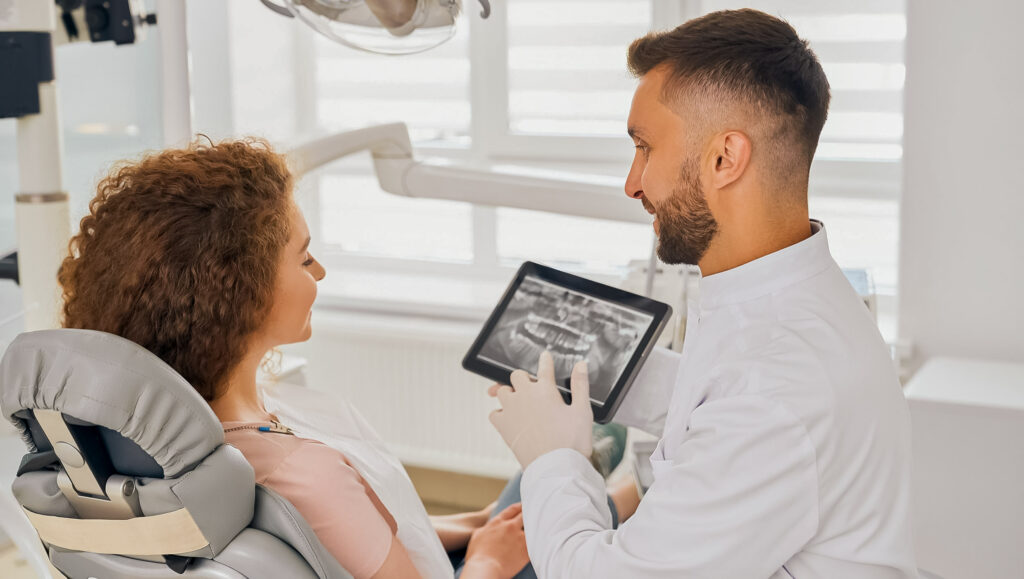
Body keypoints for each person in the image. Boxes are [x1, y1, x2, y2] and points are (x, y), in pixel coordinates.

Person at [56, 137, 638, 579]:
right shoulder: (303, 471)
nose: (320, 272)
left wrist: (474, 524)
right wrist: (486, 559)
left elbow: (341, 534)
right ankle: (627, 496)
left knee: (566, 451)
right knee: (595, 437)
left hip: (434, 549)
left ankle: (610, 488)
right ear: (241, 290)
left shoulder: (161, 438)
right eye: (304, 258)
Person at [488, 9, 918, 578]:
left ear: (724, 159)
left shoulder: (780, 385)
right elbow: (722, 396)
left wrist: (553, 458)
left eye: (645, 148)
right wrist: (611, 368)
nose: (632, 182)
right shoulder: (787, 296)